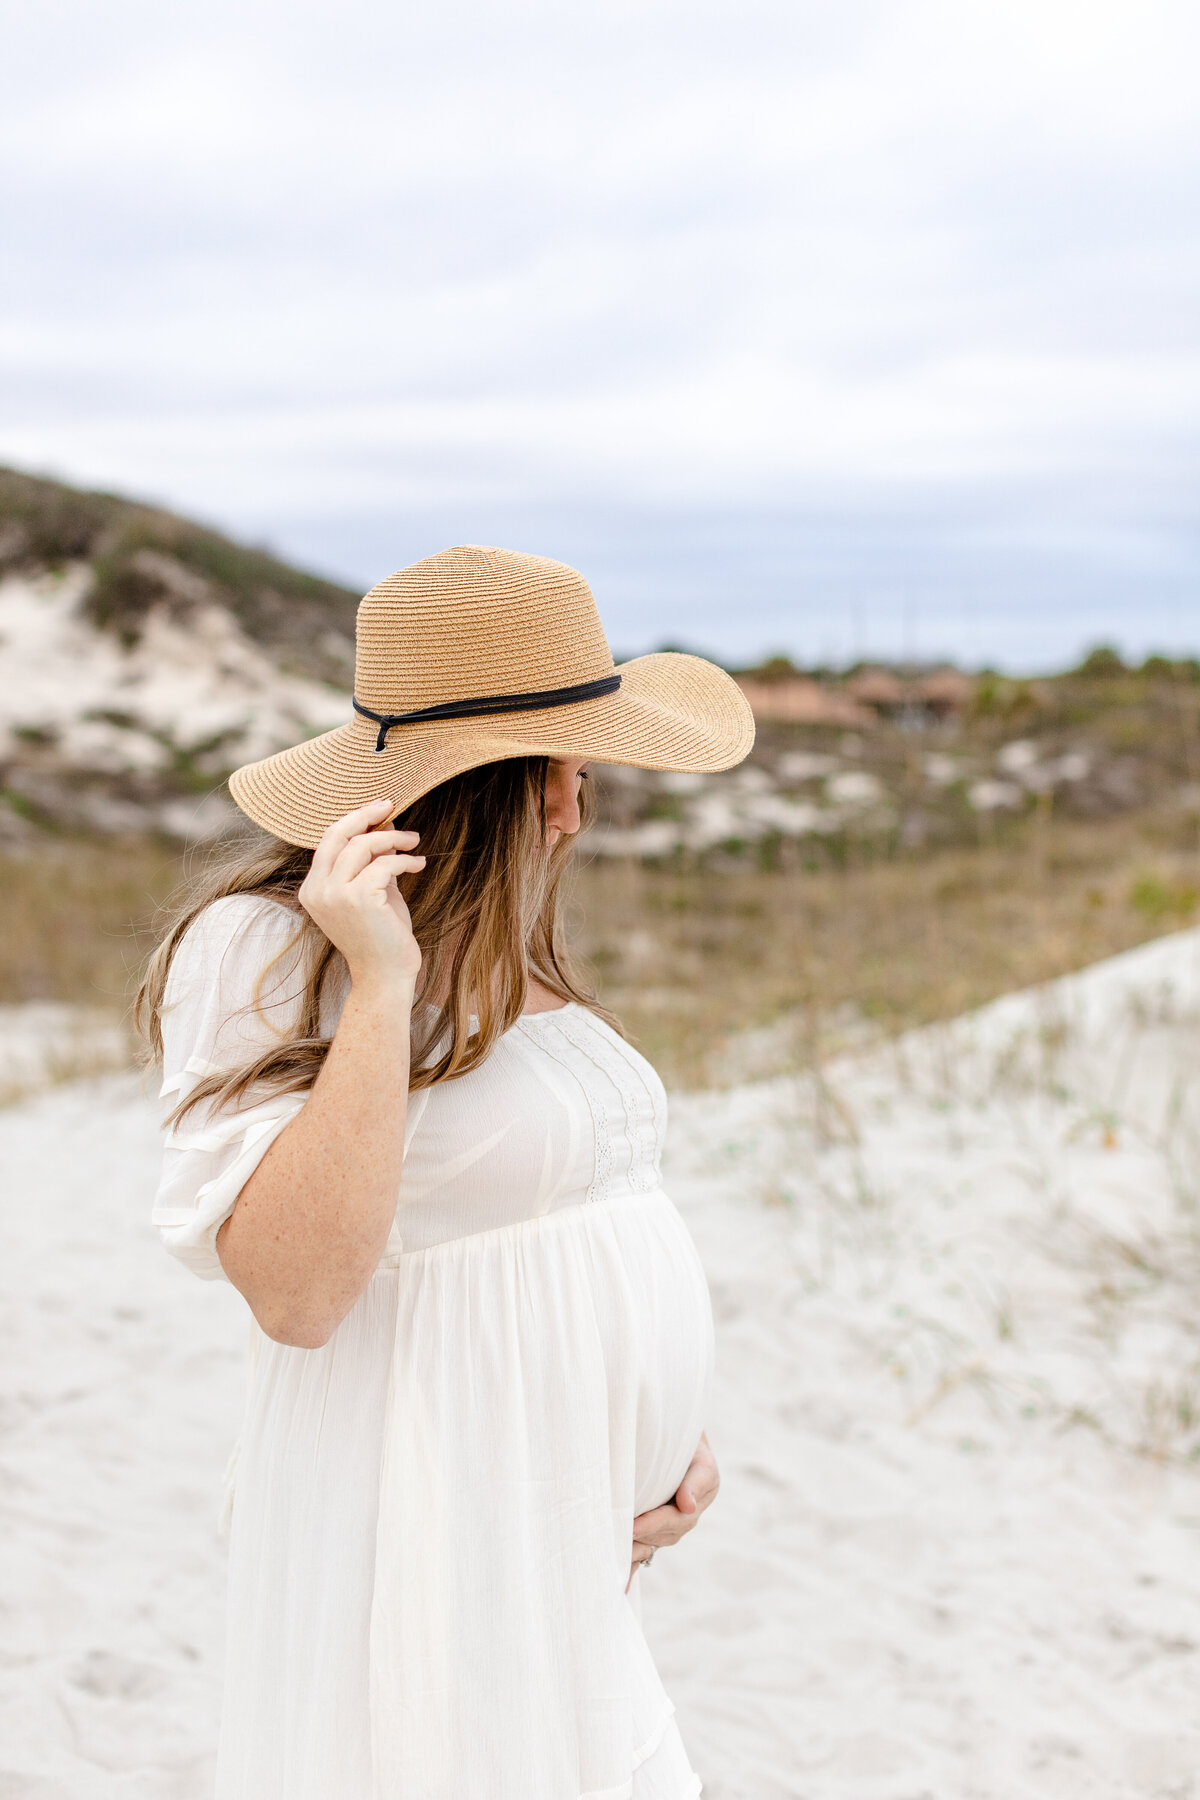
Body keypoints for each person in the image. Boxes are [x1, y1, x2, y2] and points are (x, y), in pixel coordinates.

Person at [138, 545, 754, 1799]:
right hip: (427, 1519)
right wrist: (378, 985)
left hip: (560, 1535)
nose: (577, 813)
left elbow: (569, 1223)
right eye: (562, 776)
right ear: (477, 784)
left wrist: (653, 1442)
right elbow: (297, 1292)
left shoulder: (506, 943)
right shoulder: (268, 948)